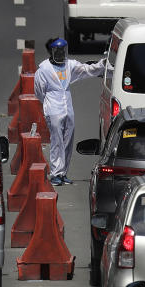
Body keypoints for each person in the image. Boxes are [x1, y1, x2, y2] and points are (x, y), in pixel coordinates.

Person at [33, 38, 106, 186]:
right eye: (57, 51)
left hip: (67, 107)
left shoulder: (69, 65)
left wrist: (102, 64)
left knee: (68, 140)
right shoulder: (44, 69)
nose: (60, 54)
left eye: (62, 51)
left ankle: (63, 173)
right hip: (53, 109)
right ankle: (55, 173)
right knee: (57, 141)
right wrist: (48, 102)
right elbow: (39, 91)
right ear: (52, 52)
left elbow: (87, 69)